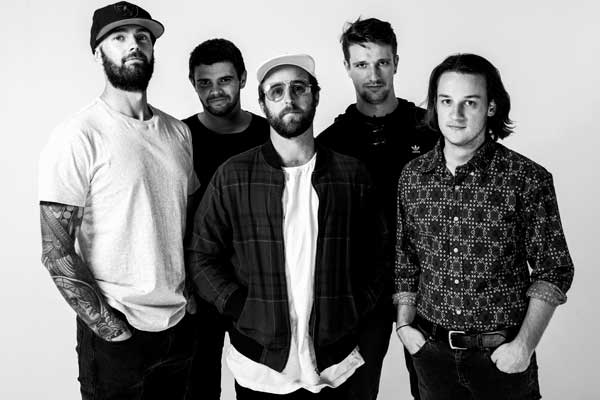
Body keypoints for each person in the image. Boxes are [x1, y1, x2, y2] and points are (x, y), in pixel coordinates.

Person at [186, 54, 390, 399]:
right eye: (276, 91)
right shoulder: (234, 176)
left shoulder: (351, 175)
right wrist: (239, 306)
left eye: (299, 88)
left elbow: (380, 255)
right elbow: (201, 254)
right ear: (262, 103)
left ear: (316, 96)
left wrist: (353, 307)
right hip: (260, 366)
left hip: (335, 362)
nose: (289, 99)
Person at [38, 2, 198, 399]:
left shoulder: (178, 133)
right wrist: (111, 330)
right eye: (119, 37)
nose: (134, 45)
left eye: (143, 37)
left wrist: (192, 300)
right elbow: (56, 250)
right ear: (98, 53)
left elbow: (190, 222)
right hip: (117, 334)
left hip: (178, 327)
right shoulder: (78, 135)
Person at [394, 53, 574, 400]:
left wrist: (523, 346)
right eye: (446, 101)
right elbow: (406, 260)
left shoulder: (526, 179)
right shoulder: (413, 177)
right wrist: (404, 326)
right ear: (435, 105)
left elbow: (554, 269)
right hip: (431, 356)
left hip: (501, 358)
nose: (456, 114)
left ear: (491, 107)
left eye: (470, 102)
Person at [316, 17, 438, 400]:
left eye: (382, 62)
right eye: (362, 64)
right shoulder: (331, 142)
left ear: (396, 62)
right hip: (360, 289)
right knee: (354, 392)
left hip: (427, 285)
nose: (373, 75)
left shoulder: (430, 131)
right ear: (347, 67)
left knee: (435, 389)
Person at [182, 38, 268, 399]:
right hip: (198, 285)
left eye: (225, 80)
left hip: (256, 287)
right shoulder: (180, 137)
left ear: (243, 79)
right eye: (204, 82)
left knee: (259, 387)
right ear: (193, 84)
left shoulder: (270, 134)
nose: (215, 91)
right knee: (197, 387)